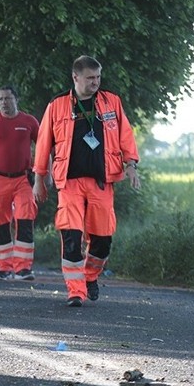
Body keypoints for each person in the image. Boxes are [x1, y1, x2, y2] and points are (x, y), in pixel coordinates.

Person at [33, 55, 140, 307]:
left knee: (103, 239)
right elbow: (43, 144)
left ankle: (90, 276)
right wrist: (39, 178)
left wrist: (132, 165)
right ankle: (75, 291)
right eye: (91, 78)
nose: (96, 82)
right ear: (76, 77)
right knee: (71, 236)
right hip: (68, 183)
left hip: (102, 181)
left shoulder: (111, 101)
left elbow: (126, 136)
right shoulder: (57, 105)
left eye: (98, 77)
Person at [0, 86, 40, 281]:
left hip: (23, 178)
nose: (4, 102)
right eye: (1, 99)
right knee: (0, 222)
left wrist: (44, 176)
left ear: (16, 99)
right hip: (0, 179)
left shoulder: (29, 121)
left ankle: (23, 268)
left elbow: (43, 147)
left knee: (25, 218)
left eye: (7, 98)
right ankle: (4, 268)